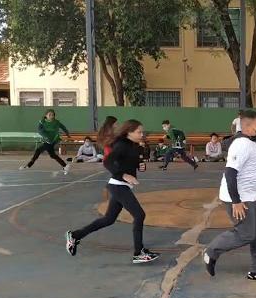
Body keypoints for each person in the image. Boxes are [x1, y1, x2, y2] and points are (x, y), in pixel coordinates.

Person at [65, 119, 160, 264]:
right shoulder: (122, 145)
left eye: (142, 131)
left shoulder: (133, 146)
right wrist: (124, 175)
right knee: (139, 215)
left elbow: (130, 163)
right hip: (118, 185)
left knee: (108, 219)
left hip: (122, 186)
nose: (142, 134)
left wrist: (139, 167)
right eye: (139, 132)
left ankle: (75, 236)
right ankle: (138, 253)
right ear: (129, 132)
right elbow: (107, 162)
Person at [202, 110, 256, 281]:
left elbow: (250, 170)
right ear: (248, 127)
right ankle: (211, 251)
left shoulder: (252, 144)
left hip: (251, 196)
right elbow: (230, 173)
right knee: (246, 234)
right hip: (239, 199)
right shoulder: (242, 144)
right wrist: (236, 202)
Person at [20, 109, 71, 174]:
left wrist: (67, 134)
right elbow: (39, 130)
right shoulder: (42, 122)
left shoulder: (56, 122)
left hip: (52, 139)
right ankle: (65, 166)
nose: (51, 116)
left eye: (52, 115)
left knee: (38, 150)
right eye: (49, 114)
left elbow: (63, 127)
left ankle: (29, 165)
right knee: (52, 155)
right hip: (46, 139)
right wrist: (45, 136)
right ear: (46, 115)